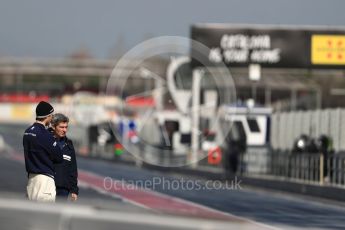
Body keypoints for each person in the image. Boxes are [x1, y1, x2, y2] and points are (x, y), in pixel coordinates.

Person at [23, 101, 63, 202]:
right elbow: (59, 157)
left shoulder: (27, 132)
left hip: (31, 180)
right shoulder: (46, 135)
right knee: (45, 216)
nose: (52, 118)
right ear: (47, 116)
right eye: (51, 115)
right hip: (45, 181)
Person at [50, 113, 79, 201]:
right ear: (54, 127)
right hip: (48, 185)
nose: (64, 130)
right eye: (61, 127)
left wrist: (74, 189)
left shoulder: (69, 144)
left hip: (63, 188)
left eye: (66, 127)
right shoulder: (47, 140)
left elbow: (73, 168)